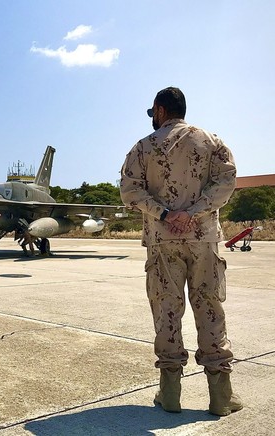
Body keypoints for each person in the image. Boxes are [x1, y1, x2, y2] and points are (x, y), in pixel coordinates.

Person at [120, 87, 243, 416]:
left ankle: (170, 394)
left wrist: (163, 214)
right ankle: (221, 397)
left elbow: (129, 191)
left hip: (163, 242)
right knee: (210, 309)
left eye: (153, 113)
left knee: (167, 312)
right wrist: (195, 212)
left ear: (160, 110)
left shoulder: (143, 147)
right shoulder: (210, 141)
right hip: (203, 239)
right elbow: (227, 180)